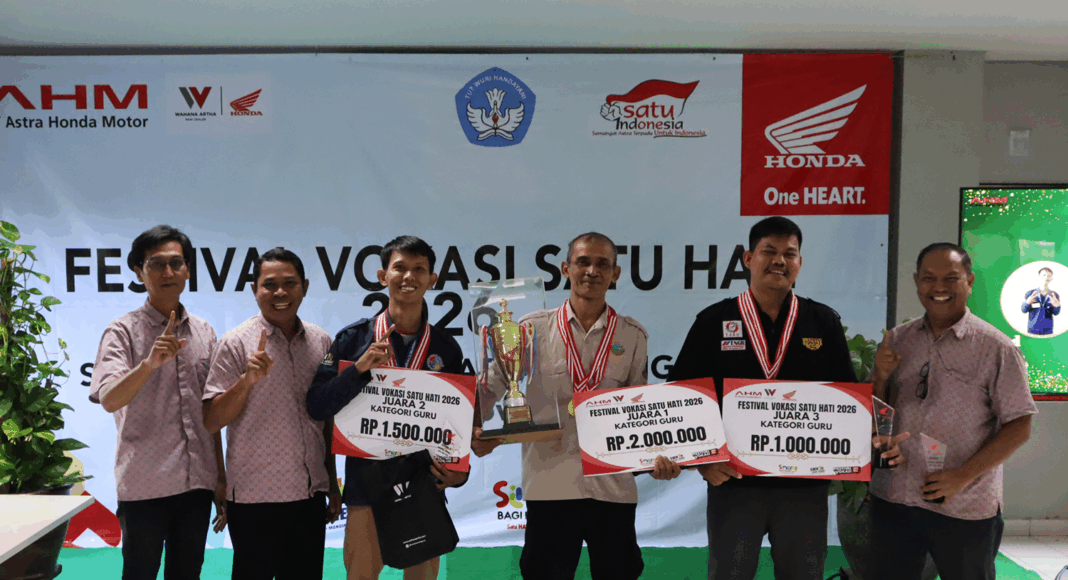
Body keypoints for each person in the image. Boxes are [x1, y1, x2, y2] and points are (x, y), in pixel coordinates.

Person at [474, 232, 682, 580]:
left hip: (612, 488)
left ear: (615, 274)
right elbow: (492, 385)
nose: (592, 271)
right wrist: (473, 430)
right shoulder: (531, 329)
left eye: (603, 264)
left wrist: (658, 458)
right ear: (565, 268)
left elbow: (641, 412)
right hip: (550, 484)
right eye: (583, 262)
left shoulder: (632, 336)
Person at [668, 216, 857, 580]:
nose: (779, 261)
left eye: (789, 253)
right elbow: (682, 398)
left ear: (799, 262)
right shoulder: (713, 321)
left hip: (803, 487)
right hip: (735, 485)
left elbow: (846, 399)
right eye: (769, 251)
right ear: (748, 258)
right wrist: (703, 463)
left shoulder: (823, 321)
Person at [870, 243, 1037, 580]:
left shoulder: (996, 348)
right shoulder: (898, 340)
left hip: (963, 503)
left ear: (969, 281)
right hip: (895, 496)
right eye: (929, 278)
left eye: (951, 278)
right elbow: (879, 410)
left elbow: (1020, 424)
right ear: (917, 281)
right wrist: (881, 378)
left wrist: (962, 476)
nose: (939, 287)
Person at [306, 236, 467, 580]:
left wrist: (459, 473)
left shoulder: (446, 348)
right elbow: (317, 405)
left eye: (418, 269)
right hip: (366, 487)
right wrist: (358, 369)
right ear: (383, 276)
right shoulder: (353, 339)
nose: (408, 276)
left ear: (432, 280)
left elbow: (458, 421)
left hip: (424, 486)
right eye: (400, 267)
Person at [89, 224, 226, 580]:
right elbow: (108, 399)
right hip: (144, 485)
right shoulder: (122, 331)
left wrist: (220, 477)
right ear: (139, 271)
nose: (168, 272)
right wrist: (148, 365)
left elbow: (210, 413)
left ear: (188, 270)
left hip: (197, 483)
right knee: (140, 573)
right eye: (156, 264)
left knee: (187, 573)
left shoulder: (204, 332)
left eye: (176, 263)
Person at [202, 248, 341, 580]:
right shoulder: (235, 343)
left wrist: (333, 484)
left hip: (309, 495)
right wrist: (246, 381)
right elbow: (212, 419)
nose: (280, 292)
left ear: (304, 287)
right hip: (254, 498)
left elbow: (327, 420)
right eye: (270, 284)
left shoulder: (322, 341)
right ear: (255, 289)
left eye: (290, 283)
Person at [1021, 266, 1060, 335]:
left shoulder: (1054, 295)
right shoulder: (1030, 293)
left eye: (1049, 276)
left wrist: (1057, 306)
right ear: (1038, 277)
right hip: (1032, 330)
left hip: (1048, 331)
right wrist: (1027, 303)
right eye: (1044, 275)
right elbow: (1024, 310)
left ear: (1051, 279)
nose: (1046, 277)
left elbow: (1056, 313)